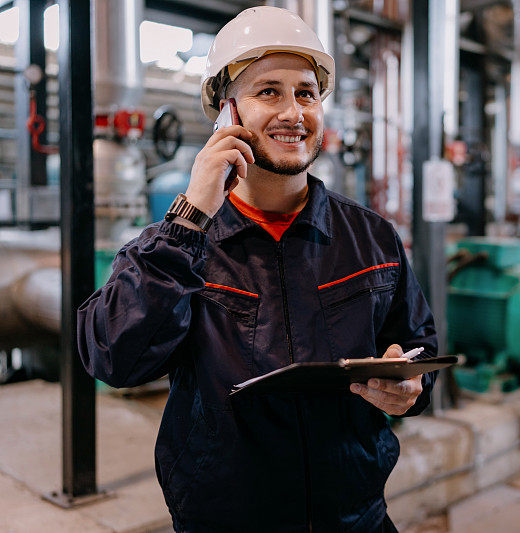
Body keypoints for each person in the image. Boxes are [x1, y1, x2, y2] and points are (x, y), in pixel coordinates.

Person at [77, 7, 438, 532]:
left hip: (355, 518)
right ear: (226, 113)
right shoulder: (179, 245)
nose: (293, 111)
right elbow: (112, 357)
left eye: (307, 93)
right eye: (268, 91)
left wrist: (409, 388)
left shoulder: (372, 237)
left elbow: (418, 347)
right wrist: (191, 217)